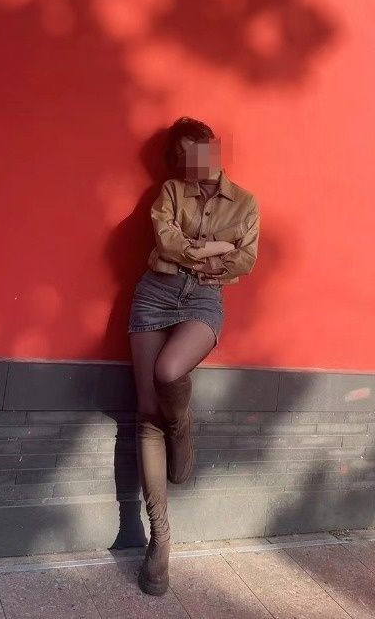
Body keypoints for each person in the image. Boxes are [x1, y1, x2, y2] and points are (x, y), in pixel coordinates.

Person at [127, 116, 260, 596]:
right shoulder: (170, 191)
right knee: (146, 412)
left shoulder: (244, 202)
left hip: (203, 299)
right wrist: (215, 247)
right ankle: (159, 539)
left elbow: (246, 258)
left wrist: (202, 253)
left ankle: (181, 430)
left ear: (213, 148)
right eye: (183, 155)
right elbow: (163, 238)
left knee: (168, 370)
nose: (193, 161)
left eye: (199, 150)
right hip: (154, 293)